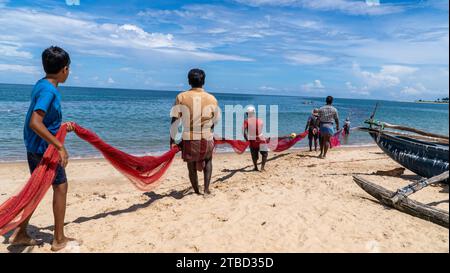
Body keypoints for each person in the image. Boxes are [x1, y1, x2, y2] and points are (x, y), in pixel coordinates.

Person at [10, 46, 77, 251]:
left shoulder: (41, 84)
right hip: (43, 149)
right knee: (61, 187)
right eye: (69, 69)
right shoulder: (50, 91)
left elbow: (44, 121)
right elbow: (35, 122)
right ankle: (58, 239)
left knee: (36, 189)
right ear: (64, 69)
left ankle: (21, 232)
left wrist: (63, 127)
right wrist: (59, 146)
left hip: (33, 145)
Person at [170, 69, 220, 195]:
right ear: (203, 81)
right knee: (208, 161)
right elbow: (215, 121)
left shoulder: (181, 97)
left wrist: (172, 140)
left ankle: (197, 191)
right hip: (207, 137)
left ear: (188, 81)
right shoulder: (212, 99)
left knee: (191, 166)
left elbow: (175, 120)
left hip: (189, 139)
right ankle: (207, 189)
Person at [243, 106, 268, 171]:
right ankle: (262, 168)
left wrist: (247, 139)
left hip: (252, 140)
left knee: (254, 155)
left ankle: (256, 167)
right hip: (261, 139)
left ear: (247, 114)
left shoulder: (246, 121)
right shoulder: (260, 120)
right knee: (264, 154)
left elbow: (243, 131)